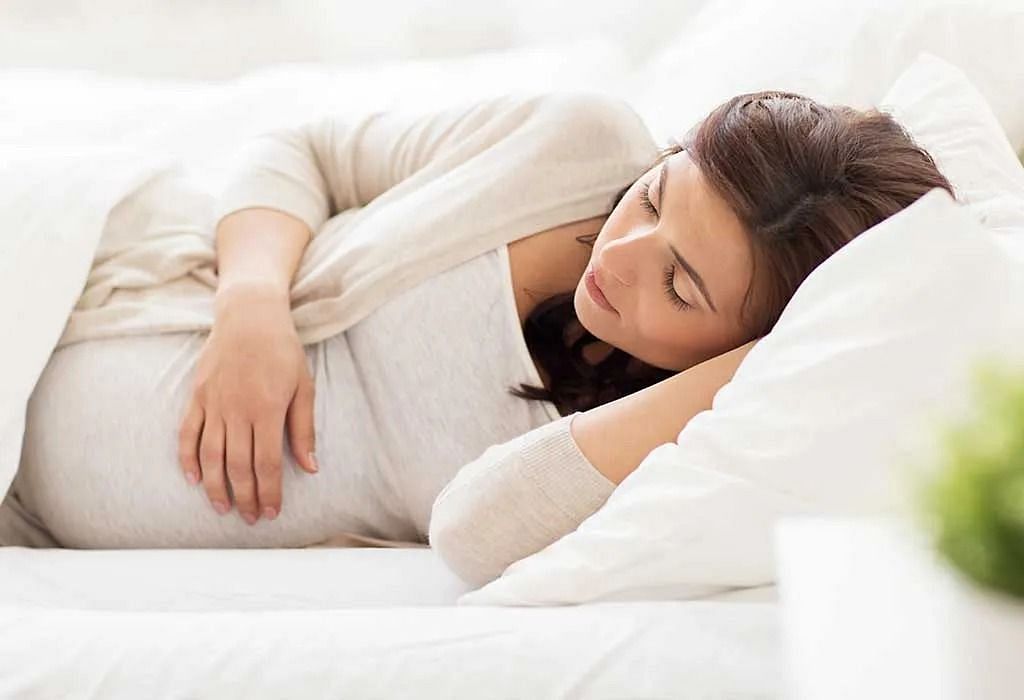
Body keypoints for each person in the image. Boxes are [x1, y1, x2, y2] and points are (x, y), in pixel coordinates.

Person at [3, 89, 953, 586]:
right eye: (655, 198)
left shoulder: (677, 445)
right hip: (73, 269)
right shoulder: (576, 142)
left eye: (681, 285)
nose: (620, 259)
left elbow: (474, 532)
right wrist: (252, 306)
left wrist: (766, 361)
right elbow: (306, 149)